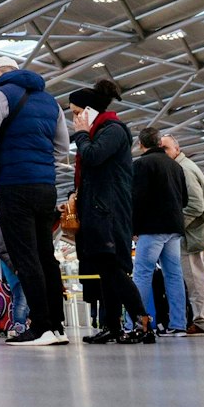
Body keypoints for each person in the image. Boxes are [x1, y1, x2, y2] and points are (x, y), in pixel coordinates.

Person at [0, 56, 71, 346]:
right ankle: (57, 324)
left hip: (14, 185)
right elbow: (63, 147)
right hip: (46, 187)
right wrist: (39, 162)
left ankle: (40, 327)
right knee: (45, 256)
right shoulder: (50, 101)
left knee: (25, 256)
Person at [68, 80, 151, 344]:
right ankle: (112, 326)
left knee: (113, 268)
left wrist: (80, 135)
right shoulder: (101, 131)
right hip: (99, 208)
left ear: (89, 111)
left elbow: (93, 156)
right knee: (105, 269)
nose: (74, 119)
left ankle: (142, 321)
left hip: (110, 211)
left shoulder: (112, 130)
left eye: (76, 112)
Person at [130, 126, 188, 337]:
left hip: (152, 229)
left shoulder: (142, 165)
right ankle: (179, 324)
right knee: (173, 275)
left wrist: (133, 228)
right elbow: (186, 199)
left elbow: (138, 200)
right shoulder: (175, 166)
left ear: (141, 144)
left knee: (142, 274)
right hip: (174, 227)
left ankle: (137, 323)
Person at [169, 132, 204, 336]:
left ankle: (203, 322)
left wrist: (176, 226)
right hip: (197, 230)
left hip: (193, 233)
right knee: (196, 277)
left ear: (177, 149)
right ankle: (201, 320)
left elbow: (195, 205)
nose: (164, 153)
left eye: (167, 148)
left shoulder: (183, 169)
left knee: (195, 278)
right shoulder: (185, 166)